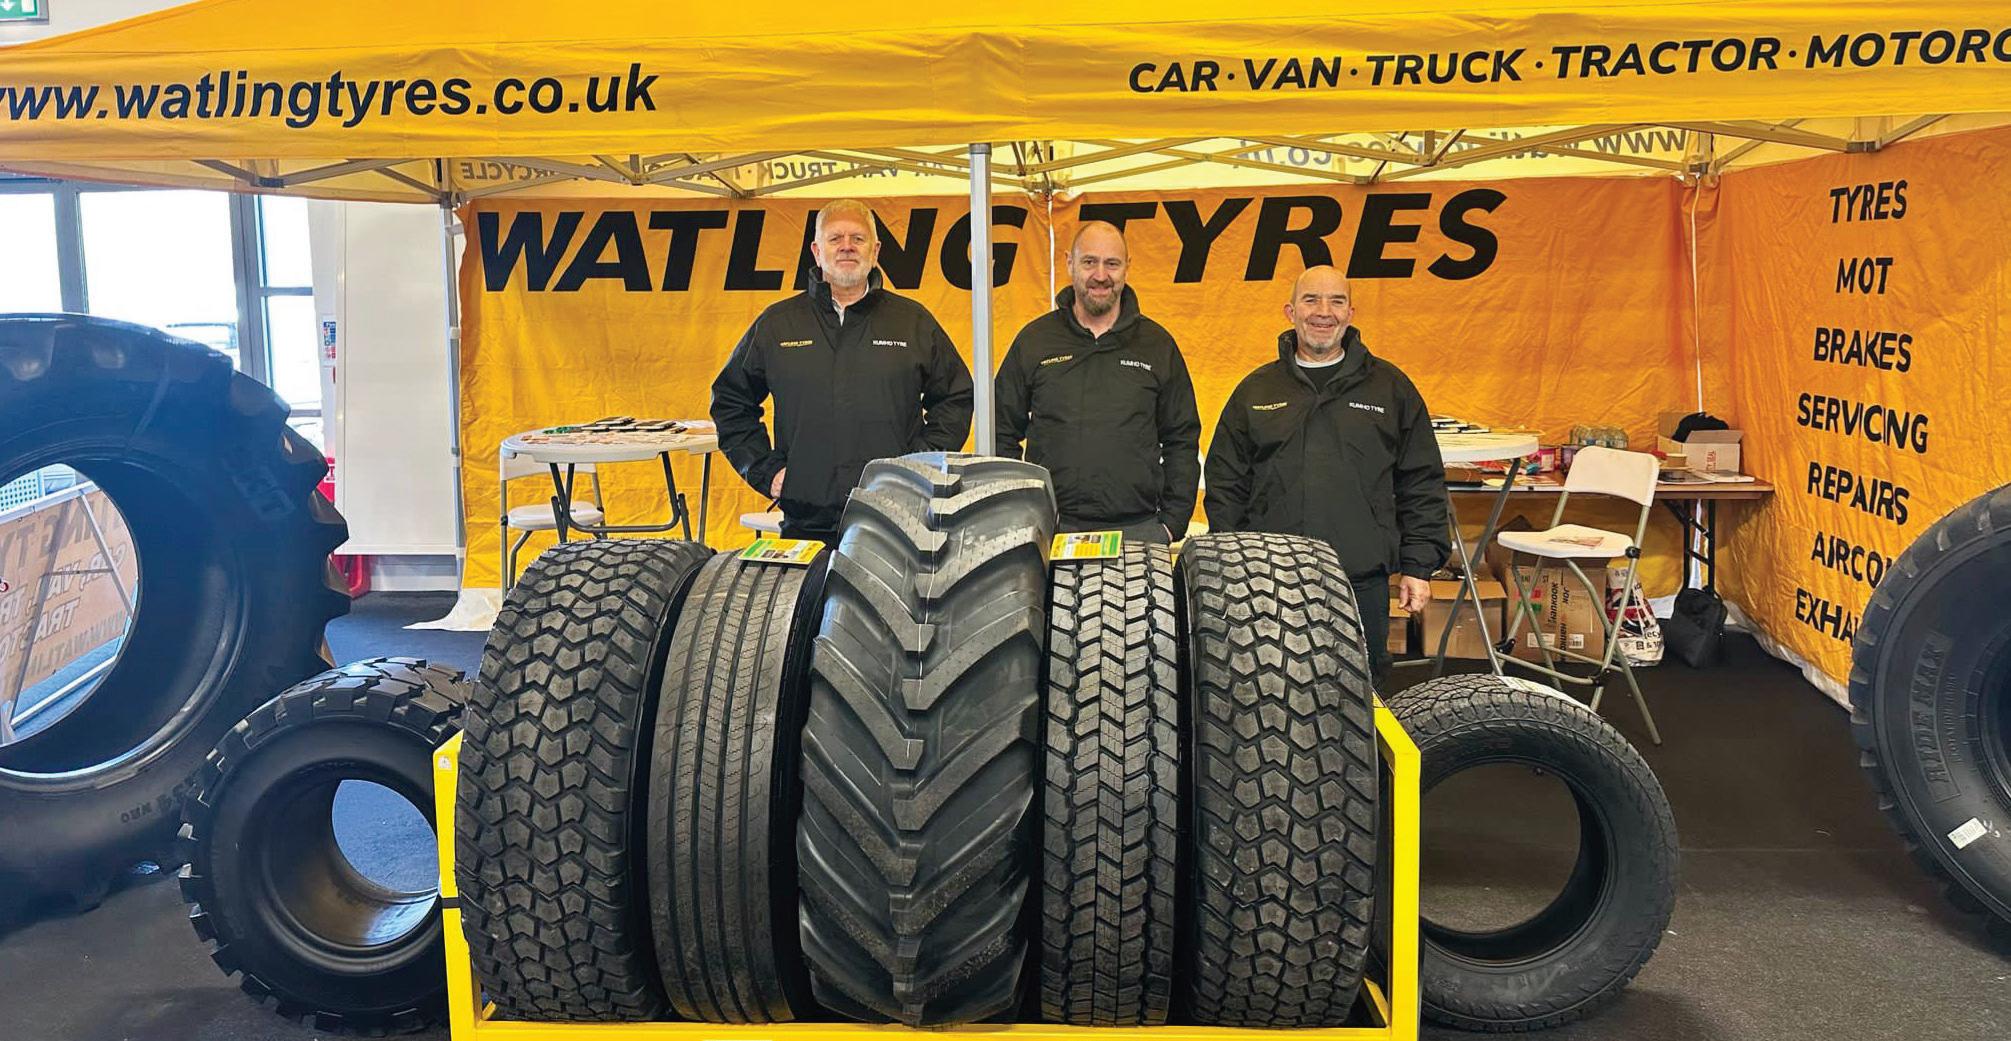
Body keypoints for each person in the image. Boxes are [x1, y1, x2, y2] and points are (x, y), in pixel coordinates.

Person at [1204, 265, 1450, 684]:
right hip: (1271, 579)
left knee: (1360, 690)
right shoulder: (1256, 390)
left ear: (1350, 313)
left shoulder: (1390, 388)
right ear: (1290, 312)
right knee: (1269, 686)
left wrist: (1418, 565)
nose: (1323, 312)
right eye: (1311, 300)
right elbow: (1226, 482)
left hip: (1360, 579)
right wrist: (1235, 560)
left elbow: (1421, 480)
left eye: (1336, 301)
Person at [711, 199, 973, 541]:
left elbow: (955, 397)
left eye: (858, 238)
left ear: (875, 251)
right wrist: (767, 472)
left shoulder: (912, 322)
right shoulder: (777, 325)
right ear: (817, 251)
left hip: (897, 518)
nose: (847, 246)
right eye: (835, 238)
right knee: (811, 581)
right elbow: (731, 402)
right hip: (807, 521)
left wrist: (917, 465)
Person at [994, 221, 1201, 542]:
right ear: (1069, 263)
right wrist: (1017, 512)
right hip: (1050, 530)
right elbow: (1000, 430)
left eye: (1112, 264)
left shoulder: (1157, 345)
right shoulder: (1035, 341)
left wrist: (1172, 523)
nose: (1101, 275)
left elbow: (1182, 438)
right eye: (1089, 262)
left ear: (1127, 267)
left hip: (1138, 530)